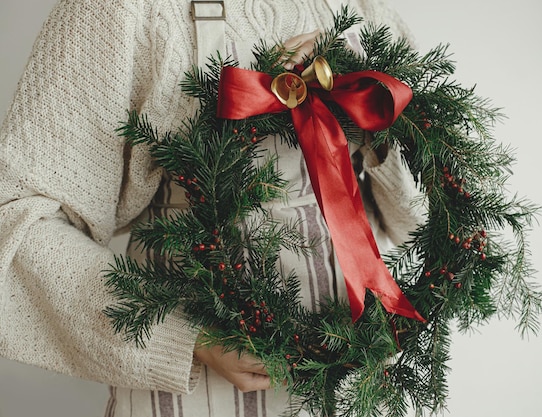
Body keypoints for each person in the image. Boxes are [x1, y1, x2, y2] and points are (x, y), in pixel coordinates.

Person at [0, 0, 425, 415]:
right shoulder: (125, 10)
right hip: (193, 392)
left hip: (353, 379)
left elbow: (421, 226)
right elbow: (17, 221)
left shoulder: (364, 13)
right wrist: (187, 336)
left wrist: (375, 116)